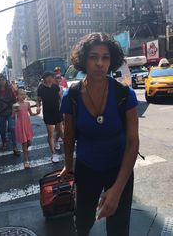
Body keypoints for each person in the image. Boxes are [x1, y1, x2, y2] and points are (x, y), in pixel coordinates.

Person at [60, 32, 139, 236]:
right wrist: (69, 166)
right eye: (93, 57)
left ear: (111, 61)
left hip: (119, 169)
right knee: (83, 223)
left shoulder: (124, 95)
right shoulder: (72, 96)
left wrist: (117, 189)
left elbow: (132, 142)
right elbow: (69, 137)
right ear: (84, 60)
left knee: (119, 229)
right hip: (87, 169)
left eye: (105, 57)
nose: (99, 63)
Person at [37, 71, 64, 163]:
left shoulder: (55, 87)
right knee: (50, 133)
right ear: (44, 78)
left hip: (57, 112)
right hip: (48, 113)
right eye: (48, 77)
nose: (50, 79)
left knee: (60, 131)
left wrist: (64, 108)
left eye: (51, 77)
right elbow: (38, 100)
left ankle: (56, 142)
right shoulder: (40, 88)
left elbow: (60, 98)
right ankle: (53, 154)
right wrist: (37, 107)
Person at [0, 74, 20, 156]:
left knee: (12, 128)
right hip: (0, 113)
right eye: (0, 80)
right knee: (2, 129)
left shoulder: (10, 89)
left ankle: (15, 146)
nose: (2, 81)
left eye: (3, 79)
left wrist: (17, 108)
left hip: (10, 112)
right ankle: (4, 142)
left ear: (5, 80)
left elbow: (14, 100)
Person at [13, 89, 39, 169]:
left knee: (29, 142)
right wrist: (14, 111)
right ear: (17, 96)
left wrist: (37, 113)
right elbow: (13, 117)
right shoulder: (15, 105)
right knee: (24, 144)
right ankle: (26, 161)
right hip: (20, 125)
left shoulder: (27, 104)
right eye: (21, 94)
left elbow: (31, 114)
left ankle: (25, 151)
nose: (23, 96)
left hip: (27, 125)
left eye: (24, 94)